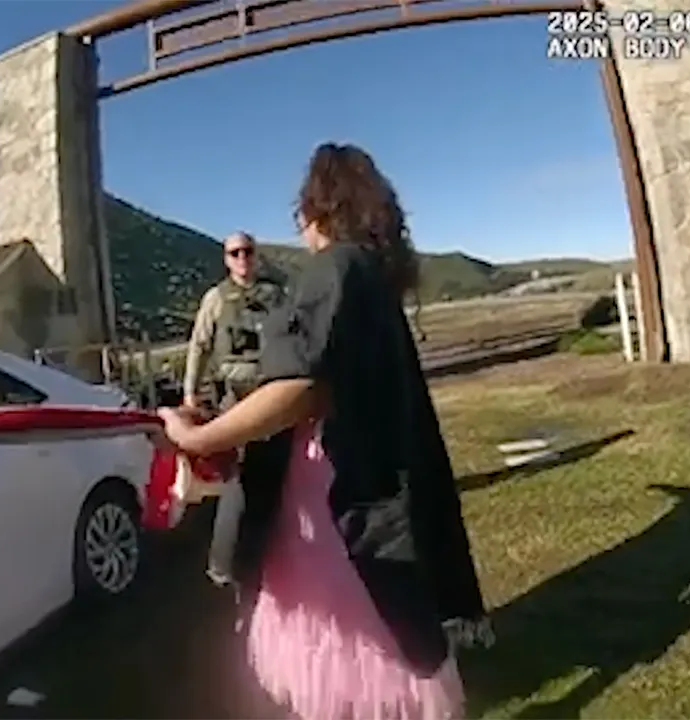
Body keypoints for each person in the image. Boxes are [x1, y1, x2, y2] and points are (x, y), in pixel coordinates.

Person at [158, 143, 489, 720]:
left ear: (318, 208)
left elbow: (299, 385)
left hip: (336, 489)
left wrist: (199, 439)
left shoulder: (334, 268)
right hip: (372, 472)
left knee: (353, 634)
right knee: (384, 622)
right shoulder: (370, 274)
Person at [183, 231, 286, 411]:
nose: (242, 257)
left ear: (256, 256)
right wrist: (190, 391)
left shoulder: (276, 296)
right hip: (231, 396)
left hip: (272, 389)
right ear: (226, 260)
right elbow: (200, 345)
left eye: (248, 251)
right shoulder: (216, 298)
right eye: (234, 253)